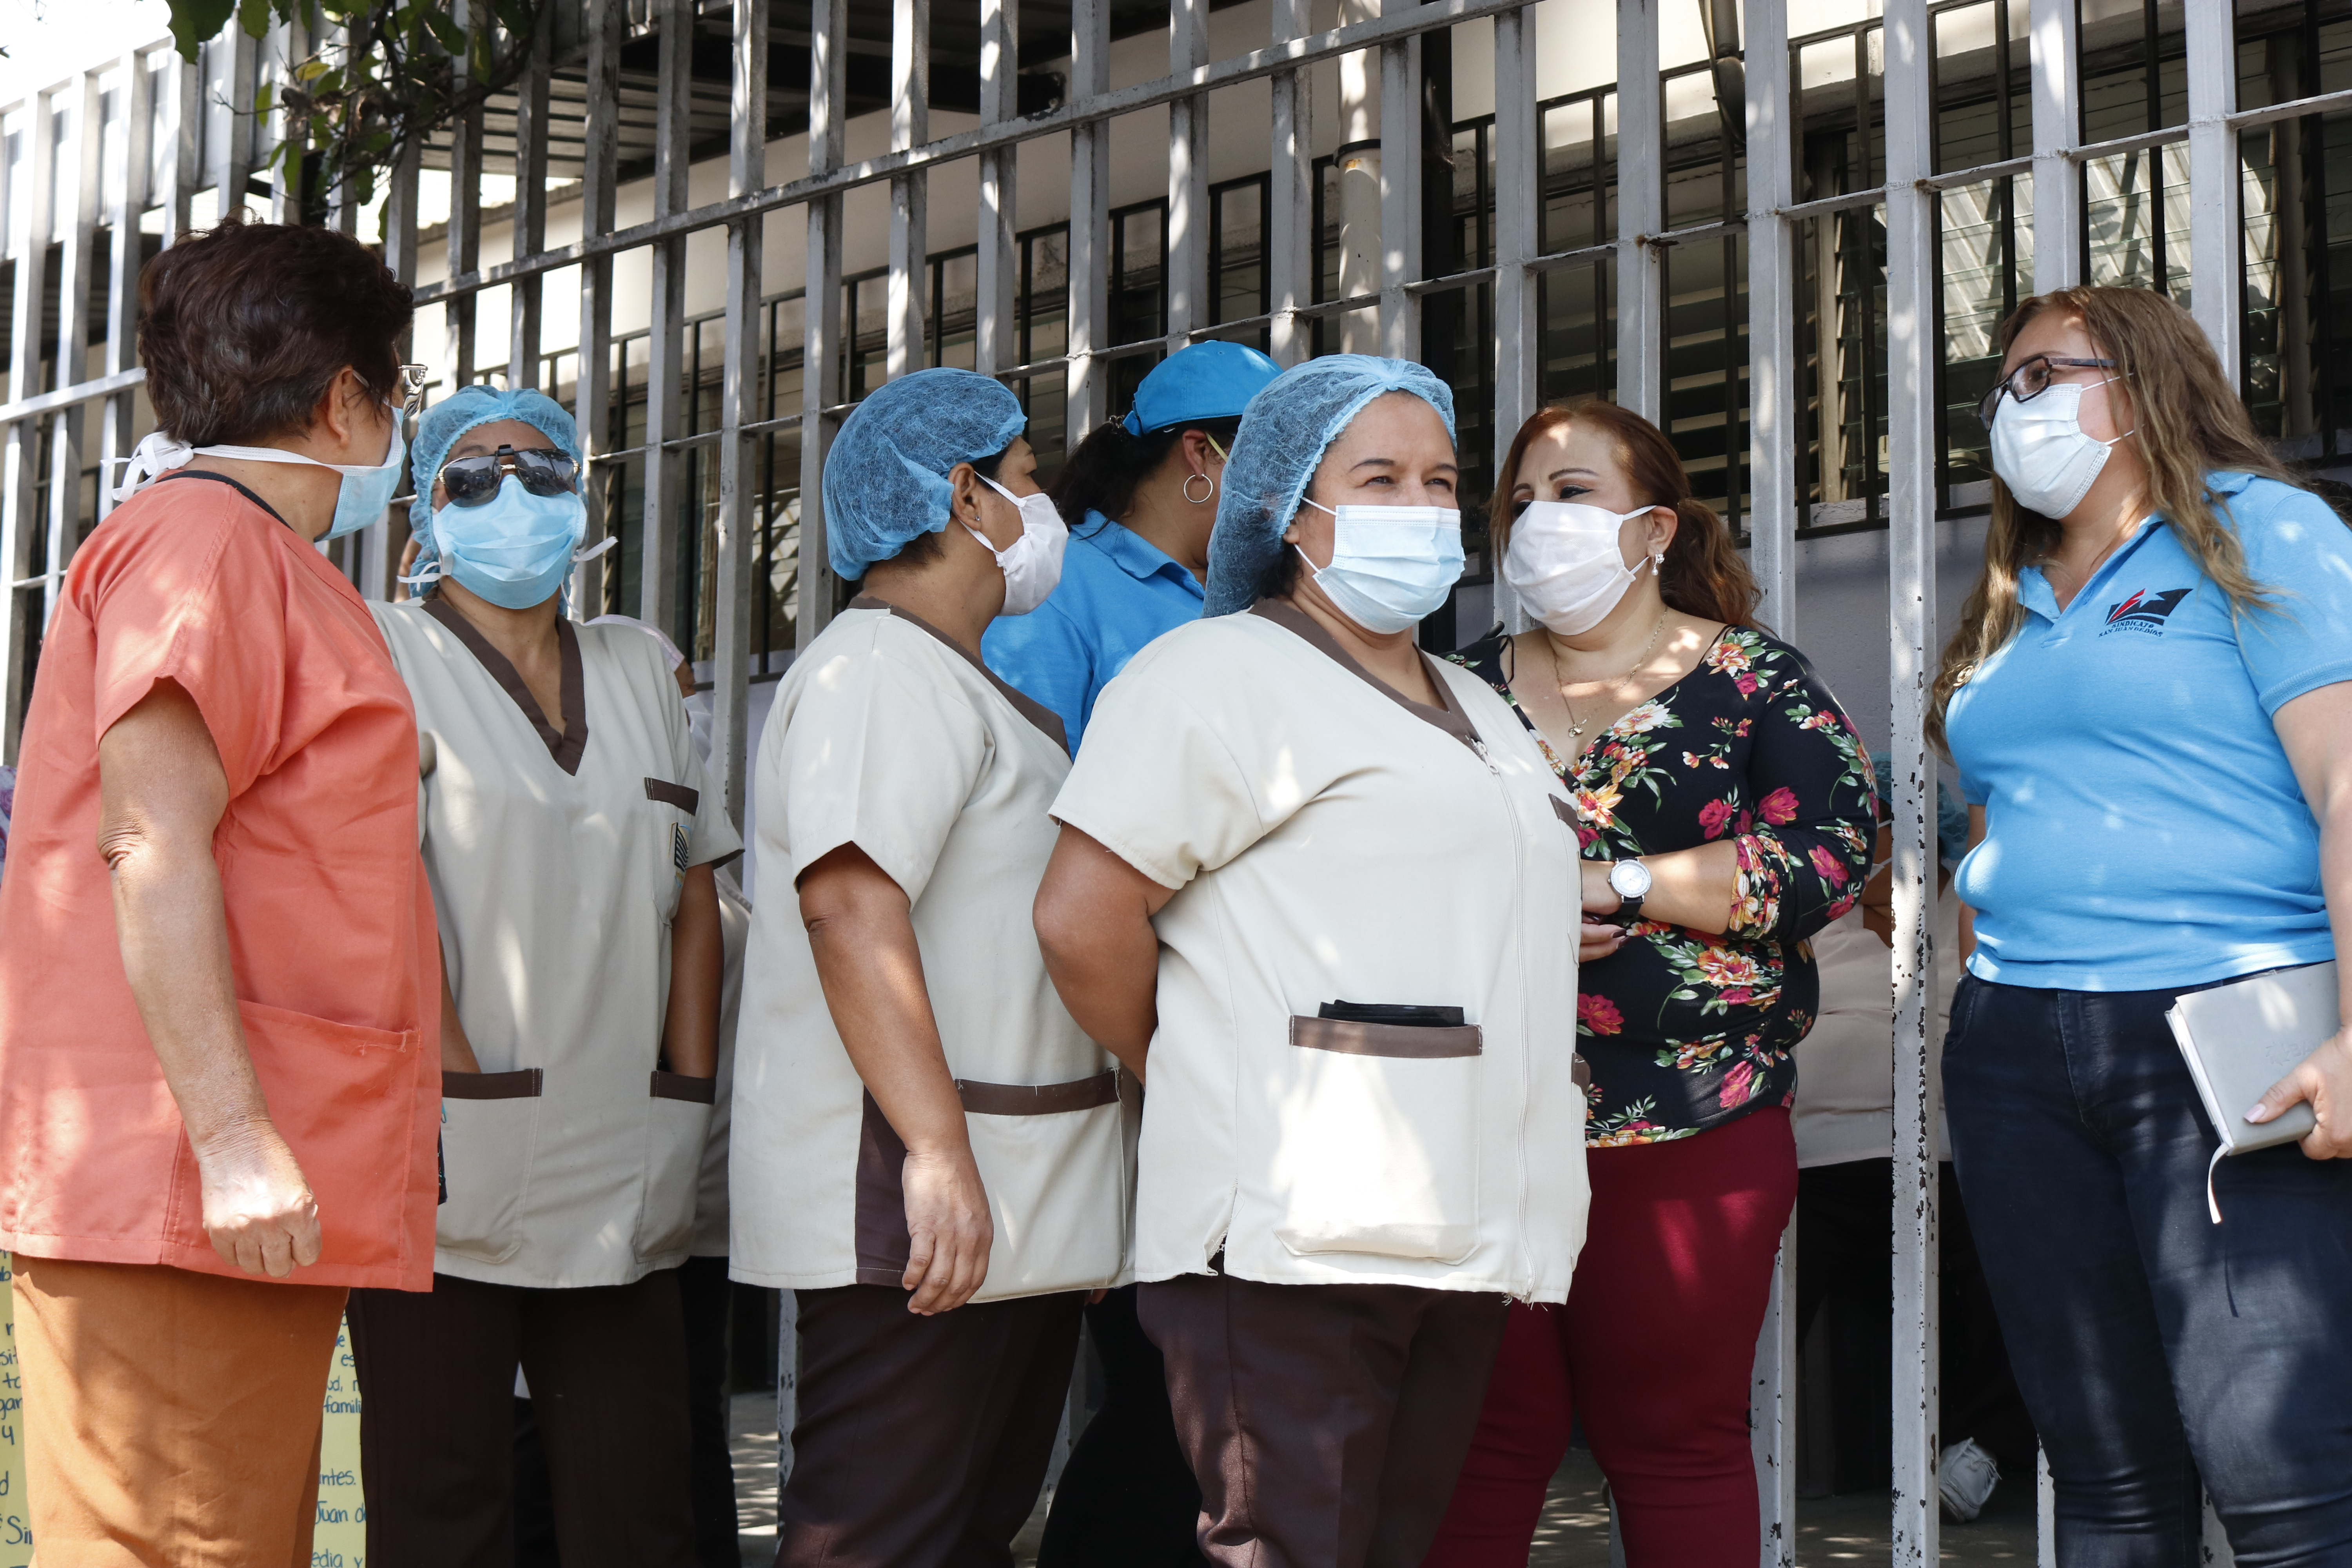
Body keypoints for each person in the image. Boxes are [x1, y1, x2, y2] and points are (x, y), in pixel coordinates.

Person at [1033, 354, 1590, 1568]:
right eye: (1377, 476)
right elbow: (1083, 919)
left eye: (1439, 481)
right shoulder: (1210, 673)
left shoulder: (1475, 701)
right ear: (1287, 508)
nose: (1418, 505)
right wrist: (1189, 1066)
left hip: (1456, 1213)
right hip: (1292, 1228)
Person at [0, 213, 439, 1564]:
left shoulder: (234, 548)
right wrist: (238, 1142)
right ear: (347, 398)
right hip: (189, 1183)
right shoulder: (209, 548)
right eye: (398, 392)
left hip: (216, 1183)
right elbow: (152, 841)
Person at [1934, 284, 2352, 1563]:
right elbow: (2000, 813)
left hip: (2227, 1040)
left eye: (2044, 374)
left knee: (2280, 1471)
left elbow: (2345, 782)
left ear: (2148, 375)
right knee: (2106, 1478)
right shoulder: (2012, 592)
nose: (2019, 408)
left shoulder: (2261, 530)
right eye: (2004, 387)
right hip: (2017, 1051)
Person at [1422, 399, 1875, 1568]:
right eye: (1518, 501)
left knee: (1670, 1438)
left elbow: (1831, 849)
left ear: (1652, 526)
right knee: (1481, 1433)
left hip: (1689, 1113)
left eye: (1570, 495)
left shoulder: (1747, 676)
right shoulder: (1449, 691)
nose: (1536, 522)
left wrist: (1611, 884)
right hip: (1476, 1116)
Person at [730, 367, 1131, 1568]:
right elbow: (850, 909)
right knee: (880, 1538)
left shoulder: (963, 683)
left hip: (1008, 1204)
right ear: (961, 497)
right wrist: (939, 1152)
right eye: (1024, 480)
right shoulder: (875, 672)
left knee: (963, 1532)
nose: (1039, 504)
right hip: (916, 1205)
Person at [345, 385, 739, 1568]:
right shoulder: (378, 651)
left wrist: (685, 1082)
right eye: (471, 474)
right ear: (424, 513)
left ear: (582, 495)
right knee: (441, 1507)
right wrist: (462, 1093)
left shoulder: (637, 665)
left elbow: (694, 896)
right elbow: (373, 897)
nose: (508, 492)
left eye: (537, 467)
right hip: (442, 1150)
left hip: (629, 1146)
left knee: (638, 1506)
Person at [988, 341, 1275, 1568]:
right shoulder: (1069, 599)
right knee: (1168, 1395)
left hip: (1242, 1049)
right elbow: (1028, 852)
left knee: (1228, 1396)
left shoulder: (1254, 601)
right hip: (1126, 1050)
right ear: (1202, 457)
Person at [1791, 758, 2033, 1517]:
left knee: (2011, 1274)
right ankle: (1716, 1435)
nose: (1888, 851)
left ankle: (1984, 1448)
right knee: (1767, 1286)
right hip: (1821, 1161)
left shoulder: (1973, 906)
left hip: (1949, 1159)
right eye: (1875, 834)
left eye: (1907, 834)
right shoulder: (1814, 915)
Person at [584, 612, 754, 1568]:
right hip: (621, 1204)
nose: (685, 709)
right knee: (656, 1433)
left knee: (679, 1432)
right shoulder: (622, 852)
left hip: (687, 1211)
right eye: (674, 691)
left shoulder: (704, 874)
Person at [984, 338, 1279, 752]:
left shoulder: (1268, 575)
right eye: (1277, 466)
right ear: (1201, 453)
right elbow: (1030, 788)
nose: (1291, 491)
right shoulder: (1055, 589)